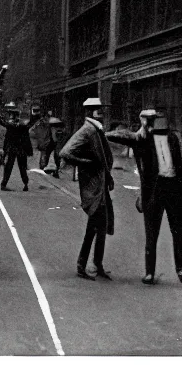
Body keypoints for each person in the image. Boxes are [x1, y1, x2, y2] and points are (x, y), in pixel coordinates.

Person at [106, 109, 182, 285]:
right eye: (147, 120)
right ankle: (150, 272)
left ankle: (180, 268)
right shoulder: (142, 140)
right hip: (153, 192)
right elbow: (122, 136)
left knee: (178, 232)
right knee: (151, 233)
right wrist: (102, 133)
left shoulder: (172, 138)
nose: (150, 123)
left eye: (153, 120)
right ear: (142, 121)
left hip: (173, 190)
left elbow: (179, 166)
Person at [60, 97, 114, 281]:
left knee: (100, 227)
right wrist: (87, 163)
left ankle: (94, 265)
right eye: (99, 110)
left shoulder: (95, 130)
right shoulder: (87, 130)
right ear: (91, 112)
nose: (102, 113)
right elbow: (65, 152)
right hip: (93, 189)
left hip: (100, 187)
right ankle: (83, 265)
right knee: (94, 228)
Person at [0, 102, 33, 192]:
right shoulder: (22, 126)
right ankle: (25, 183)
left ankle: (4, 184)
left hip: (12, 148)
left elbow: (2, 122)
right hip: (20, 149)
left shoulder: (11, 126)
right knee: (21, 167)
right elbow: (26, 136)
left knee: (9, 166)